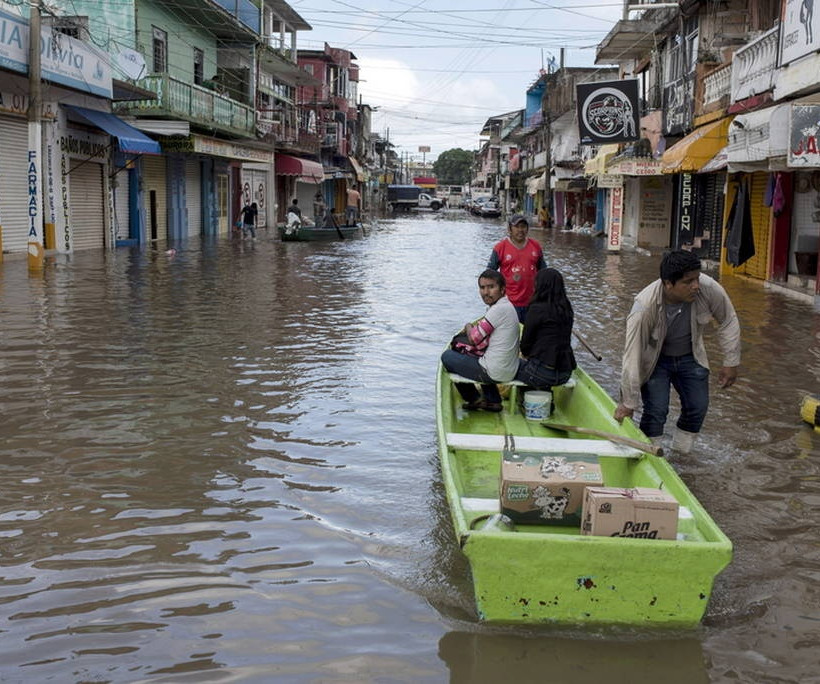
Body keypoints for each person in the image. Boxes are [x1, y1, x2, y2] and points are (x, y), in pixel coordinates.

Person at [613, 250, 741, 454]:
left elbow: (728, 319)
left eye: (697, 278)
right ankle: (650, 455)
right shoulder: (644, 307)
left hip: (690, 356)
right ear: (668, 283)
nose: (695, 286)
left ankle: (682, 454)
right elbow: (632, 355)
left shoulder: (707, 289)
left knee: (697, 407)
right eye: (688, 281)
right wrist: (628, 401)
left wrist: (731, 361)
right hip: (656, 361)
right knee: (656, 411)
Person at [440, 269, 521, 412]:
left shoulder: (498, 310)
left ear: (502, 289)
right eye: (482, 288)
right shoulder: (507, 306)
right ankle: (493, 401)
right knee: (480, 355)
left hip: (496, 372)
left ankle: (474, 399)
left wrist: (468, 326)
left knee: (447, 356)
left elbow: (473, 339)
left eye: (491, 287)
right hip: (508, 369)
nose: (486, 292)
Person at [515, 268, 576, 390]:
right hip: (565, 373)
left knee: (507, 367)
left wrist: (525, 355)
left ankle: (523, 401)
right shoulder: (566, 308)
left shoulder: (537, 308)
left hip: (542, 372)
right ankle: (546, 398)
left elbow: (526, 344)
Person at [487, 213, 546, 323]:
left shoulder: (536, 246)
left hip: (532, 303)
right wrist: (492, 300)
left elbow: (544, 273)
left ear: (527, 228)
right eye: (517, 227)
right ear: (510, 229)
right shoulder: (500, 248)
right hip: (509, 304)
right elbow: (490, 275)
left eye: (523, 227)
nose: (520, 230)